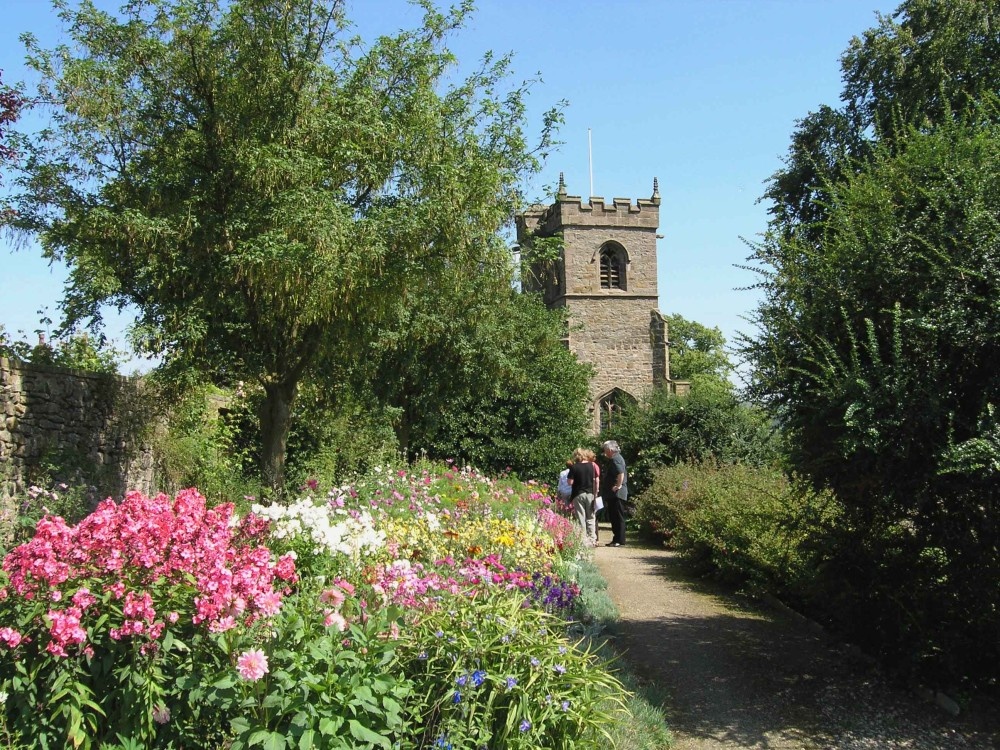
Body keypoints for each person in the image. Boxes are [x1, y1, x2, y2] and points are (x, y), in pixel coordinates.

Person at [567, 447, 598, 546]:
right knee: (591, 517)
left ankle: (583, 540)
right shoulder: (592, 466)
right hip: (590, 494)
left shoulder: (574, 467)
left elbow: (570, 482)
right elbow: (596, 480)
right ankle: (592, 539)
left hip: (578, 494)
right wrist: (596, 493)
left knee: (581, 517)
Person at [601, 440, 628, 547]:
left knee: (617, 516)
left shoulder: (616, 459)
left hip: (617, 494)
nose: (605, 452)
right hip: (614, 494)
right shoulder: (616, 458)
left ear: (611, 450)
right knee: (614, 516)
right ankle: (617, 539)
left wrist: (618, 485)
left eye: (606, 450)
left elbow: (620, 472)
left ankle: (619, 540)